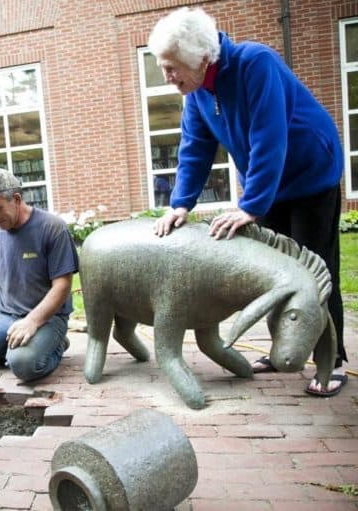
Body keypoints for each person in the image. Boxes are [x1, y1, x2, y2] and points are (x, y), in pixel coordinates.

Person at [149, 7, 348, 397]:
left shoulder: (255, 64)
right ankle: (281, 351)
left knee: (313, 271)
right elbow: (194, 149)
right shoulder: (198, 92)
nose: (167, 77)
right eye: (164, 67)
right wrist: (179, 204)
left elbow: (269, 139)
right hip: (268, 186)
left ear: (200, 57)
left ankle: (333, 359)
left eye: (171, 68)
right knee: (274, 272)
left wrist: (251, 205)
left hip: (311, 176)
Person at [0, 167, 79, 382]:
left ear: (16, 199)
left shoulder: (52, 228)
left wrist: (32, 321)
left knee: (22, 364)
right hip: (4, 317)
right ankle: (11, 348)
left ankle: (55, 344)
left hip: (47, 318)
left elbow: (62, 286)